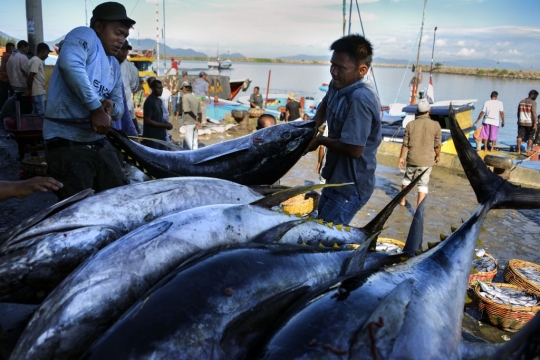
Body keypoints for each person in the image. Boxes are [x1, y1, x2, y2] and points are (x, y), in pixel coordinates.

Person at [42, 1, 135, 201]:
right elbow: (70, 64)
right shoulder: (85, 35)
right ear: (99, 27)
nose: (121, 40)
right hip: (67, 142)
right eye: (117, 32)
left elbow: (118, 105)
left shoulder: (114, 65)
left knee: (119, 198)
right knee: (78, 210)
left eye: (125, 36)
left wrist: (110, 108)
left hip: (96, 142)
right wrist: (95, 108)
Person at [305, 34, 382, 225]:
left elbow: (354, 149)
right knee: (319, 225)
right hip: (334, 176)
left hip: (351, 185)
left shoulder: (360, 98)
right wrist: (313, 127)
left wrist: (320, 140)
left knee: (324, 239)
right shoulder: (337, 84)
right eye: (332, 65)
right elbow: (325, 102)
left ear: (362, 70)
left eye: (341, 68)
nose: (334, 72)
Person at [398, 99, 441, 207]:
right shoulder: (435, 125)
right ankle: (418, 209)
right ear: (428, 111)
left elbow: (405, 144)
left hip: (412, 158)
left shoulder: (410, 124)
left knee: (407, 179)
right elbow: (437, 145)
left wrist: (401, 157)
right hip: (426, 161)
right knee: (423, 184)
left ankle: (402, 201)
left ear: (417, 111)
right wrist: (438, 155)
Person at [115, 39, 140, 134]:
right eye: (122, 49)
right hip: (112, 111)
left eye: (126, 50)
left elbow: (133, 87)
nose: (124, 52)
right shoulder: (106, 64)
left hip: (127, 110)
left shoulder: (132, 69)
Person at [143, 79, 172, 150]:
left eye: (161, 88)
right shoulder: (149, 101)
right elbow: (147, 120)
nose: (161, 90)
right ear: (152, 88)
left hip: (161, 135)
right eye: (158, 88)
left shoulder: (159, 101)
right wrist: (164, 125)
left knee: (165, 155)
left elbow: (159, 117)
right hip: (152, 137)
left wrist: (166, 123)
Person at [26, 42, 52, 115]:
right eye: (47, 53)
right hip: (38, 92)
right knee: (42, 113)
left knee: (36, 113)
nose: (47, 55)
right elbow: (31, 76)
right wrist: (29, 89)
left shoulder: (35, 60)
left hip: (38, 91)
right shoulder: (36, 61)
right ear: (42, 51)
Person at [6, 40, 31, 114]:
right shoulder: (22, 57)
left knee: (18, 109)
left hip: (14, 86)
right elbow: (29, 72)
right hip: (22, 87)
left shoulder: (11, 56)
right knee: (25, 110)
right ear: (23, 47)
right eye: (27, 49)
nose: (27, 51)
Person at [180, 80, 201, 150]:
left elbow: (187, 110)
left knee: (188, 144)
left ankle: (187, 158)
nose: (182, 90)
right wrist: (198, 121)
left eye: (182, 89)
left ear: (185, 88)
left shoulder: (185, 97)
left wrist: (195, 117)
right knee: (195, 142)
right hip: (196, 123)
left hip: (189, 123)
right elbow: (200, 112)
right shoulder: (195, 97)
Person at [517, 90, 538, 155]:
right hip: (530, 123)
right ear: (533, 95)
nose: (536, 98)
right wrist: (535, 123)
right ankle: (528, 150)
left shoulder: (521, 102)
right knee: (530, 137)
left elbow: (518, 113)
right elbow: (534, 113)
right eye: (536, 96)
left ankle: (518, 150)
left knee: (520, 136)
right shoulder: (533, 103)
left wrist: (518, 120)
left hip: (521, 121)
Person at [0, 42, 15, 109]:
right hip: (5, 79)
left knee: (4, 96)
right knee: (5, 97)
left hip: (4, 79)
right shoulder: (9, 56)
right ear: (9, 49)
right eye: (13, 48)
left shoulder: (5, 55)